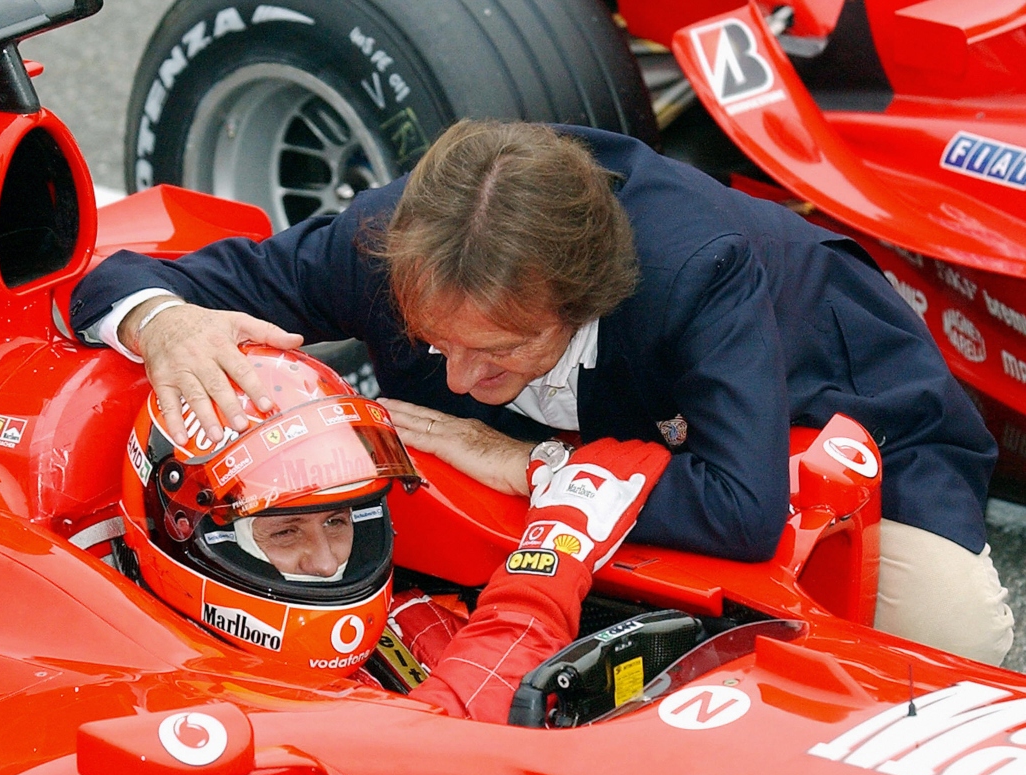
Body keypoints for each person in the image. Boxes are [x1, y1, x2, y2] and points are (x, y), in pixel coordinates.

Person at [77, 119, 1012, 665]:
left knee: (947, 634)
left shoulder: (697, 275)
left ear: (585, 302)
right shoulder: (382, 244)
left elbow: (741, 511)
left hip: (823, 397)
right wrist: (166, 325)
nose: (459, 381)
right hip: (596, 440)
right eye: (434, 341)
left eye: (502, 350)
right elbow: (107, 278)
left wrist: (530, 462)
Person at [119, 344, 670, 721]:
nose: (328, 560)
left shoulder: (406, 621)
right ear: (187, 538)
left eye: (338, 521)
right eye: (285, 534)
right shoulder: (188, 711)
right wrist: (552, 561)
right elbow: (432, 744)